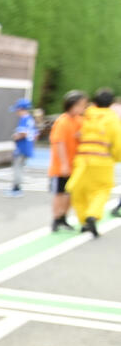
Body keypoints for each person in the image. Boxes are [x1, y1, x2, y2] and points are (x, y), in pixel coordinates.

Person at [65, 87, 121, 237]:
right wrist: (116, 158)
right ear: (111, 104)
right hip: (102, 161)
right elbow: (118, 145)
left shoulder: (85, 115)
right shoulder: (112, 119)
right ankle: (92, 215)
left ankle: (83, 220)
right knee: (102, 190)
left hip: (82, 161)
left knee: (79, 192)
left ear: (94, 102)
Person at [48, 90, 87, 232]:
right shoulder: (63, 121)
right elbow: (59, 143)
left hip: (75, 164)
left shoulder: (79, 121)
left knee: (70, 193)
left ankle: (63, 216)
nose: (84, 108)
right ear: (73, 105)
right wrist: (64, 163)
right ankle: (56, 218)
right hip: (61, 166)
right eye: (82, 105)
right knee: (60, 192)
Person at [5, 97, 37, 197]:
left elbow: (23, 133)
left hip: (22, 147)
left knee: (17, 167)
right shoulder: (30, 119)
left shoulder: (24, 119)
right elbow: (35, 134)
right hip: (27, 147)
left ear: (21, 109)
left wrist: (16, 136)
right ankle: (16, 188)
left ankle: (16, 188)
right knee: (20, 167)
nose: (16, 112)